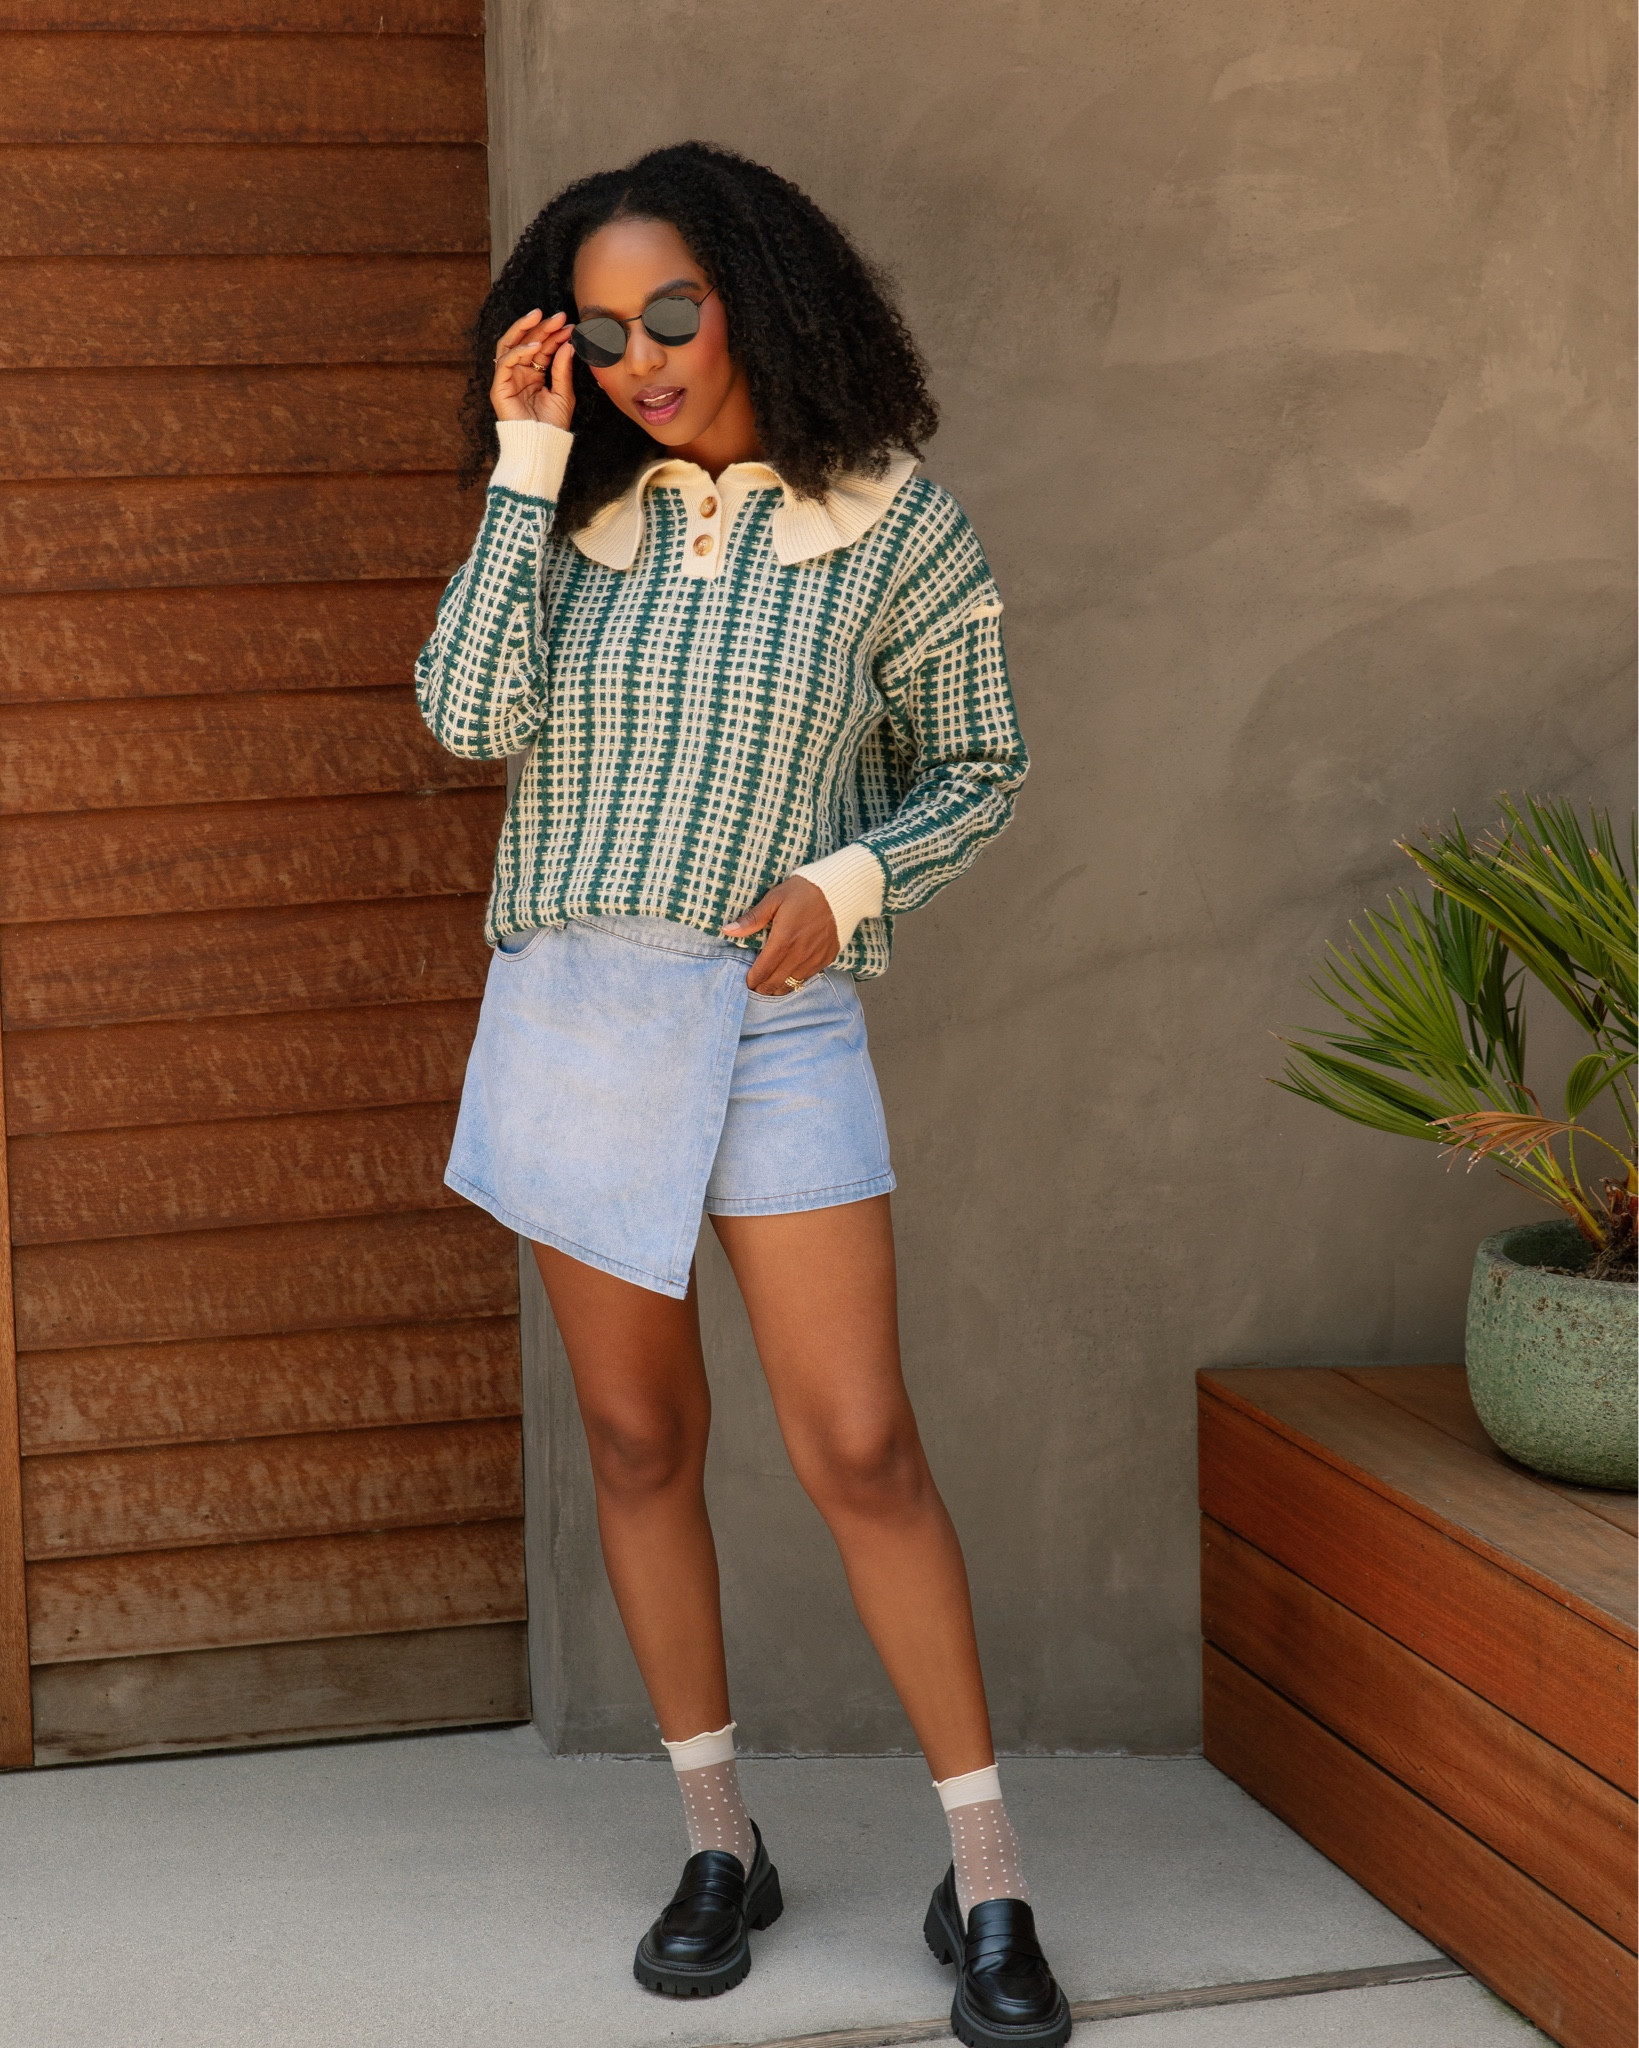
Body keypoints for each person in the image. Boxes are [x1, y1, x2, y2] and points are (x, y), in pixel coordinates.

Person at [415, 140, 1069, 2048]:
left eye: (675, 314)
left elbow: (984, 764)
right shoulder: (569, 517)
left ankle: (992, 1873)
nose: (642, 359)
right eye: (603, 331)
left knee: (860, 1445)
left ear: (762, 297)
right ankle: (721, 1842)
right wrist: (524, 467)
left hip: (769, 1019)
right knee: (637, 1441)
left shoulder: (894, 526)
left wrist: (846, 885)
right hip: (572, 1011)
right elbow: (470, 718)